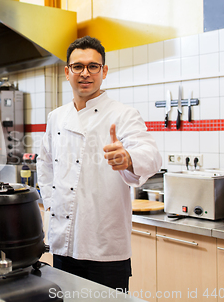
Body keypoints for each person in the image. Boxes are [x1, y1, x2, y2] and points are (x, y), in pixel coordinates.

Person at [36, 36, 162, 292]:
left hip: (105, 248)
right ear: (67, 72)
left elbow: (151, 153)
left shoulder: (123, 114)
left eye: (93, 66)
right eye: (78, 66)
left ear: (104, 71)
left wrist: (128, 158)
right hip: (63, 243)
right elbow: (45, 163)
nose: (85, 73)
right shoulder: (56, 117)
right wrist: (52, 204)